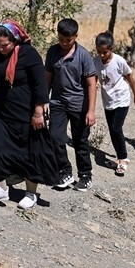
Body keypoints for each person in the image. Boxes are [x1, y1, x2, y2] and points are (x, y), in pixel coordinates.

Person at [0, 20, 56, 211]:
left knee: (28, 152)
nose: (1, 48)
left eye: (5, 44)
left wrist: (38, 112)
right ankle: (1, 187)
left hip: (26, 113)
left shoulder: (28, 54)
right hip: (1, 111)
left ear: (15, 40)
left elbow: (40, 84)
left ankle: (31, 193)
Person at [44, 18, 100, 192]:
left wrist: (91, 111)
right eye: (61, 39)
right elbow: (48, 78)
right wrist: (43, 101)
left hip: (79, 105)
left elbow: (92, 84)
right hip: (58, 102)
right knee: (55, 137)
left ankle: (85, 175)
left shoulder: (83, 55)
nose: (65, 43)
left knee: (80, 142)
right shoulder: (53, 52)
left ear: (76, 36)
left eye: (69, 40)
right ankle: (65, 172)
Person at [94, 32, 135, 176]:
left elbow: (130, 78)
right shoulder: (95, 61)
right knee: (113, 130)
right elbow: (93, 80)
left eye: (105, 52)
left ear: (112, 48)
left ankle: (123, 159)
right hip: (108, 100)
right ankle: (118, 157)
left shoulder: (119, 61)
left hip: (122, 99)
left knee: (116, 128)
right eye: (99, 52)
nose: (102, 55)